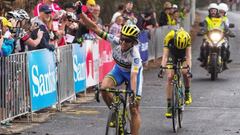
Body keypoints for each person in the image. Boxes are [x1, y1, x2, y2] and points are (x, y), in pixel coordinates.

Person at [77, 3, 143, 135]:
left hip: (132, 76)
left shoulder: (135, 55)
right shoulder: (116, 40)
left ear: (134, 42)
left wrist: (133, 93)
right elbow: (95, 28)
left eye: (127, 41)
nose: (123, 42)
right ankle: (115, 112)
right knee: (104, 88)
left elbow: (134, 76)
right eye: (122, 39)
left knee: (134, 108)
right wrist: (81, 14)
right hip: (118, 71)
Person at [159, 27, 192, 118]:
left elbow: (188, 56)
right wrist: (162, 68)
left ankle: (187, 92)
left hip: (183, 55)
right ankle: (169, 106)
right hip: (172, 54)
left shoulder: (188, 37)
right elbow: (165, 56)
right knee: (170, 77)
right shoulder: (169, 36)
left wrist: (189, 69)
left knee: (185, 72)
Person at [198, 3, 225, 68]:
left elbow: (225, 27)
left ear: (217, 11)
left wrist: (228, 31)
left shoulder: (221, 19)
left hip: (220, 36)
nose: (213, 12)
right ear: (209, 11)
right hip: (208, 36)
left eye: (214, 10)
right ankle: (203, 60)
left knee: (225, 46)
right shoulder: (207, 19)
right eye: (211, 10)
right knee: (203, 46)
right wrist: (202, 31)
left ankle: (224, 61)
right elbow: (204, 26)